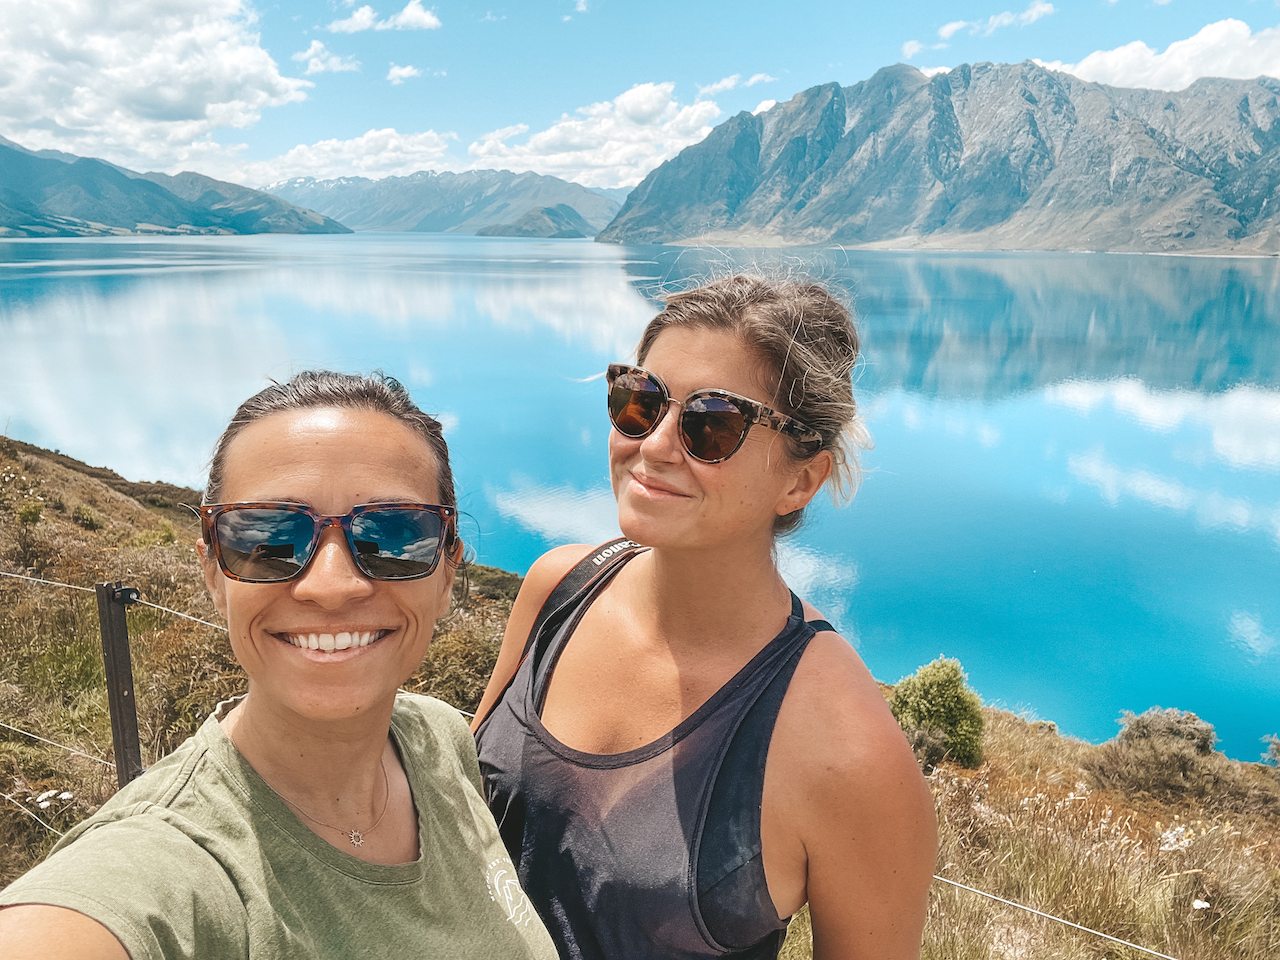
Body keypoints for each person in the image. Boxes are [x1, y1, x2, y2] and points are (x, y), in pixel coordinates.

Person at [0, 371, 558, 960]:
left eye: (395, 534)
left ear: (448, 571)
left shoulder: (437, 738)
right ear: (213, 572)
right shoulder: (173, 864)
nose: (332, 585)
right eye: (268, 537)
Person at [473, 276, 937, 960]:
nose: (655, 445)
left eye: (711, 424)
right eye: (640, 402)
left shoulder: (851, 754)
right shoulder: (556, 589)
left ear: (800, 479)